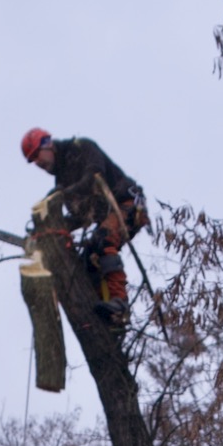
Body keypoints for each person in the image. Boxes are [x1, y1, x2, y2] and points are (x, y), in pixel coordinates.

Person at [20, 128, 149, 328]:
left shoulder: (81, 149)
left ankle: (119, 304)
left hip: (127, 204)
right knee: (88, 261)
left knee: (104, 238)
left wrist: (61, 195)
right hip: (106, 215)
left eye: (37, 155)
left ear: (48, 144)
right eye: (33, 160)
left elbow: (93, 176)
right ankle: (107, 318)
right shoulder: (61, 179)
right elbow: (80, 216)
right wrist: (49, 228)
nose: (38, 163)